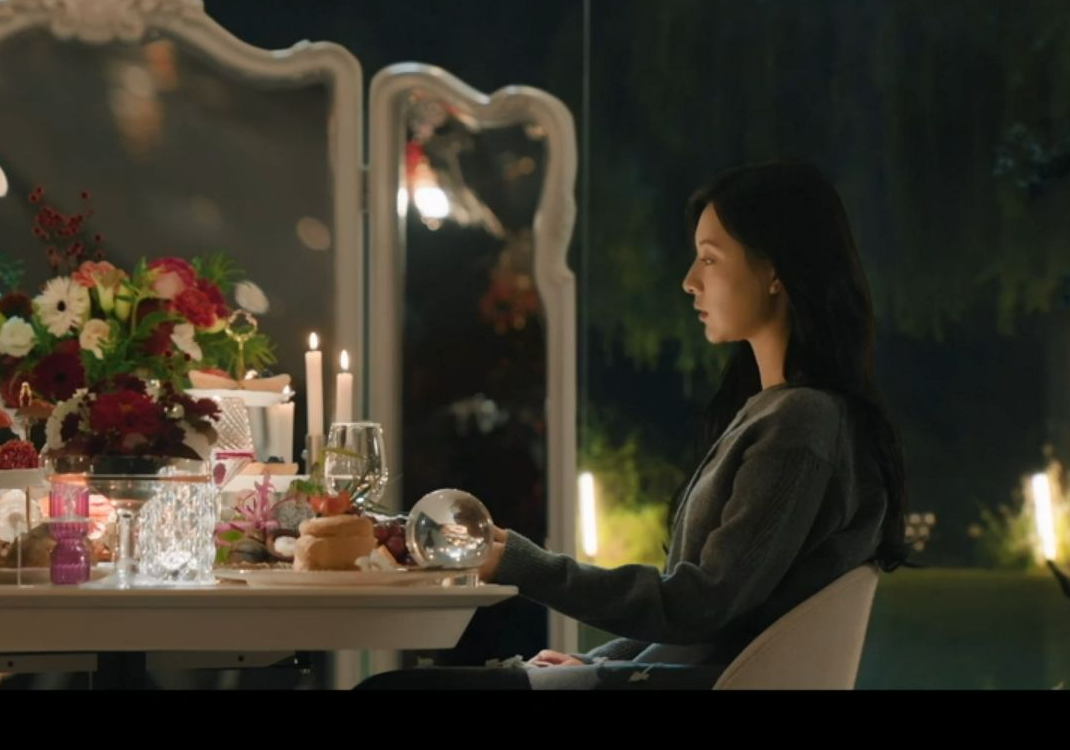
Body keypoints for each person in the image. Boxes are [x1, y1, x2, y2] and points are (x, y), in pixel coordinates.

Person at [361, 160, 910, 690]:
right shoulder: (776, 413)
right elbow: (713, 614)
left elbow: (701, 605)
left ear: (773, 271)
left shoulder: (801, 423)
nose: (689, 281)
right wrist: (592, 660)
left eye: (710, 259)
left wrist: (524, 565)